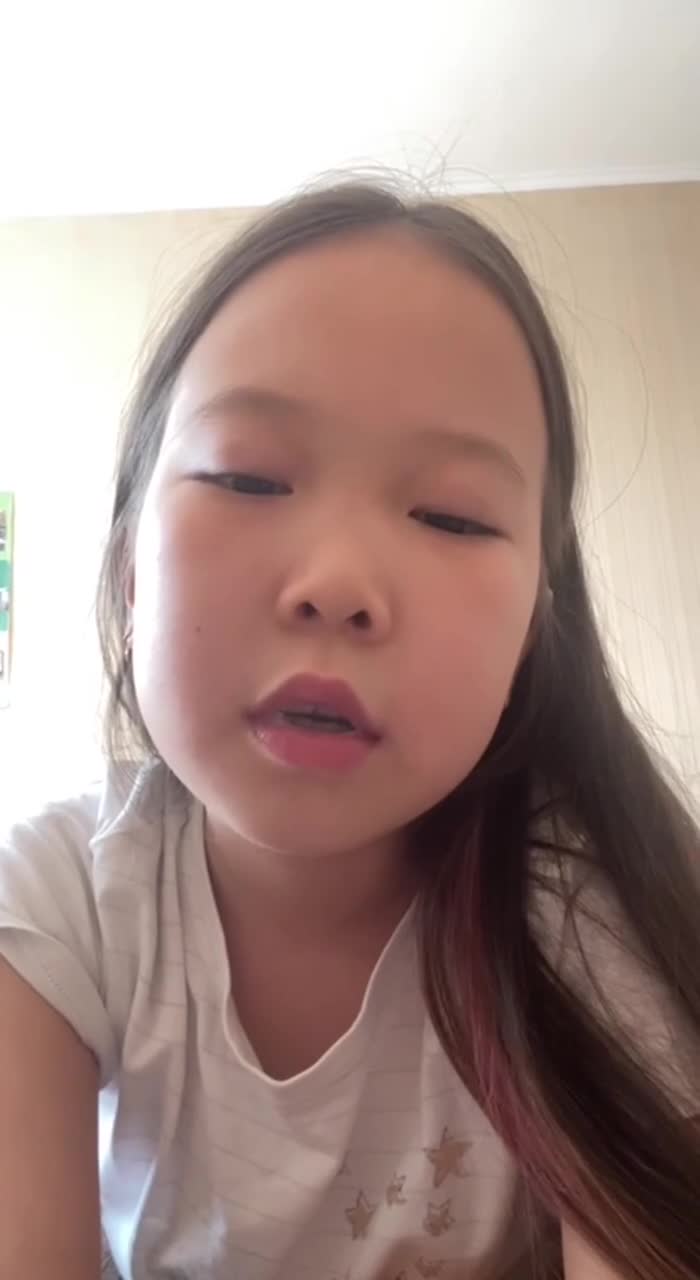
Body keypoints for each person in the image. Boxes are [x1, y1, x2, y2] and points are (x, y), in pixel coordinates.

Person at [0, 179, 698, 1280]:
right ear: (131, 567)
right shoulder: (56, 901)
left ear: (531, 628)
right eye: (247, 476)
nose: (336, 583)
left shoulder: (585, 909)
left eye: (452, 516)